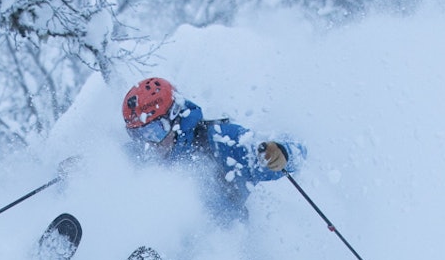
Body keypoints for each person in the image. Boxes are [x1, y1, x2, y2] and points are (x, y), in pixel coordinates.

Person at [121, 77, 306, 224]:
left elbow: (297, 152)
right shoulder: (135, 158)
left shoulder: (220, 140)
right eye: (138, 135)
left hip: (225, 245)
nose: (149, 143)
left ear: (175, 117)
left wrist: (282, 153)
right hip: (165, 246)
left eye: (154, 132)